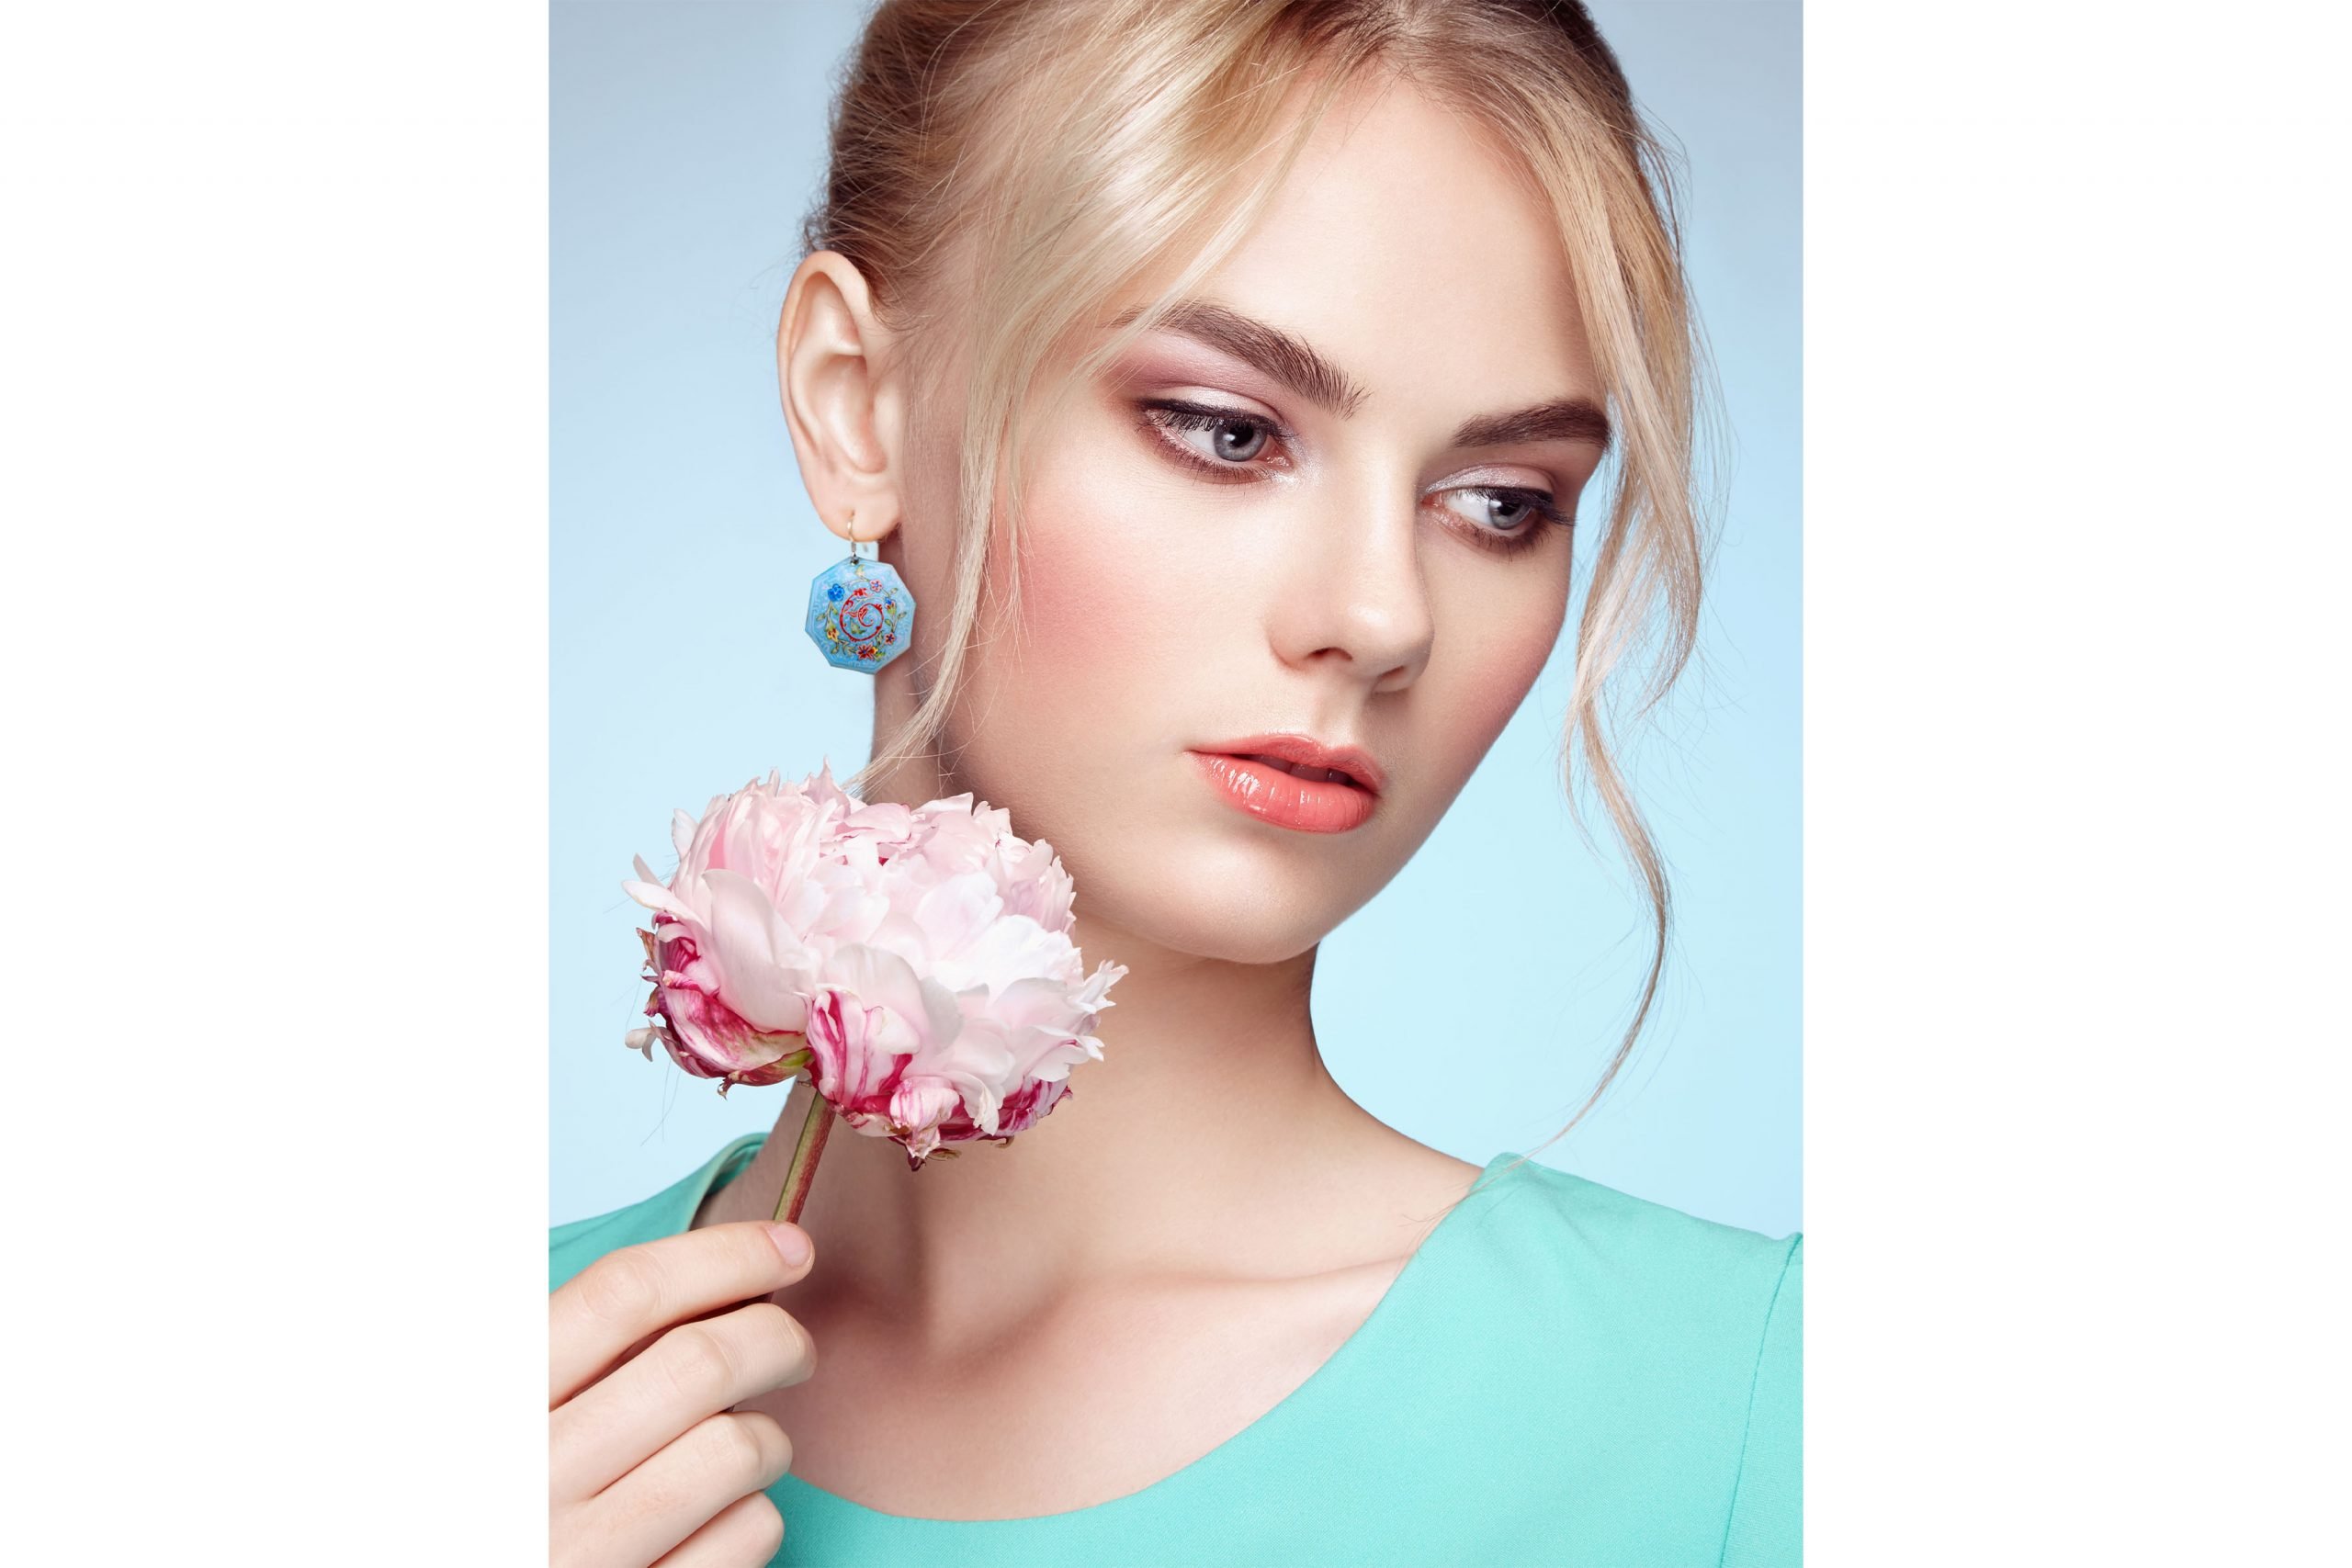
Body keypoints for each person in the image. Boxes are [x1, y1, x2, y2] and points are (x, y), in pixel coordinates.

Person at [549, 2, 1799, 1563]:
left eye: (1500, 502)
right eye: (1224, 430)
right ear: (857, 403)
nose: (1379, 616)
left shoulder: (1749, 1412)